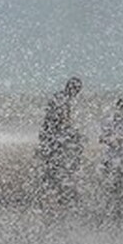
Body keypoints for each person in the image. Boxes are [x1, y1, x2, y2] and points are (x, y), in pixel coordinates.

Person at [38, 77, 84, 206]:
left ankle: (55, 196)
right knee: (55, 167)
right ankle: (53, 198)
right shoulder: (61, 98)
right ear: (71, 88)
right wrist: (73, 132)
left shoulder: (62, 97)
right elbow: (62, 118)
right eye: (76, 89)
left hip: (52, 137)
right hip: (53, 138)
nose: (77, 93)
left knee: (56, 166)